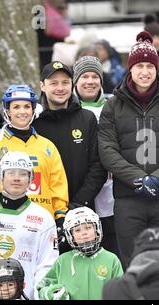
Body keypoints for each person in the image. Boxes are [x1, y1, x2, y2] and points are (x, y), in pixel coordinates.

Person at [98, 31, 159, 268]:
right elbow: (107, 149)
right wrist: (139, 179)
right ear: (130, 69)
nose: (145, 72)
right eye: (139, 66)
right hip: (129, 197)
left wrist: (158, 180)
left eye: (150, 66)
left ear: (157, 68)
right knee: (133, 264)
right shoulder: (113, 105)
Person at [0, 151, 58, 299]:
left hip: (23, 296)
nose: (16, 178)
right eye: (10, 173)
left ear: (30, 179)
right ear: (0, 177)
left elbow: (47, 264)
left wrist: (38, 295)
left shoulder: (43, 217)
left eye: (23, 174)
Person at [0, 84, 69, 221]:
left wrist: (60, 215)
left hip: (43, 221)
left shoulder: (47, 146)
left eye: (27, 106)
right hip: (8, 220)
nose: (22, 111)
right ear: (8, 111)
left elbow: (57, 184)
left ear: (33, 110)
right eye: (16, 107)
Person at [34, 61, 107, 216]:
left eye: (65, 83)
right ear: (42, 86)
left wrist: (78, 203)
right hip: (43, 210)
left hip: (81, 209)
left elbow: (98, 167)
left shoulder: (87, 119)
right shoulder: (35, 124)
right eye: (54, 83)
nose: (60, 88)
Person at [73, 56, 118, 255]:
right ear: (75, 81)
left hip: (110, 190)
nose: (90, 81)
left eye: (94, 76)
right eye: (84, 76)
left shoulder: (113, 105)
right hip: (80, 188)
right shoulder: (68, 108)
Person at [37, 207, 123, 300]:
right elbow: (42, 287)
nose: (84, 233)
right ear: (70, 235)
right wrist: (49, 294)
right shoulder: (62, 260)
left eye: (88, 227)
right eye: (77, 230)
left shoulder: (111, 259)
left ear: (97, 229)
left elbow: (122, 292)